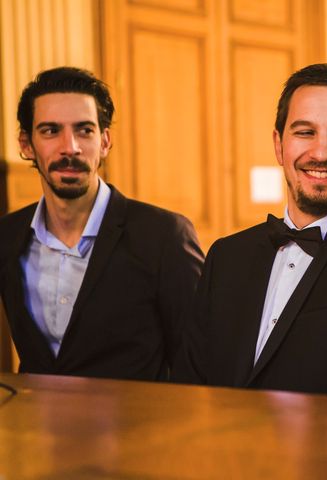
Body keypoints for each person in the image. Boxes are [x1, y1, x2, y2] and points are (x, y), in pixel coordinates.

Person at [173, 63, 327, 398]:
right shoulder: (226, 256)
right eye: (305, 132)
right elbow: (190, 388)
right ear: (279, 145)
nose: (321, 152)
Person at [0, 66, 204, 380]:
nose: (70, 147)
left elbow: (196, 361)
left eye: (84, 130)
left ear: (105, 141)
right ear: (26, 145)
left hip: (139, 427)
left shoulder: (165, 236)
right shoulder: (7, 237)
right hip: (35, 427)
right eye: (51, 131)